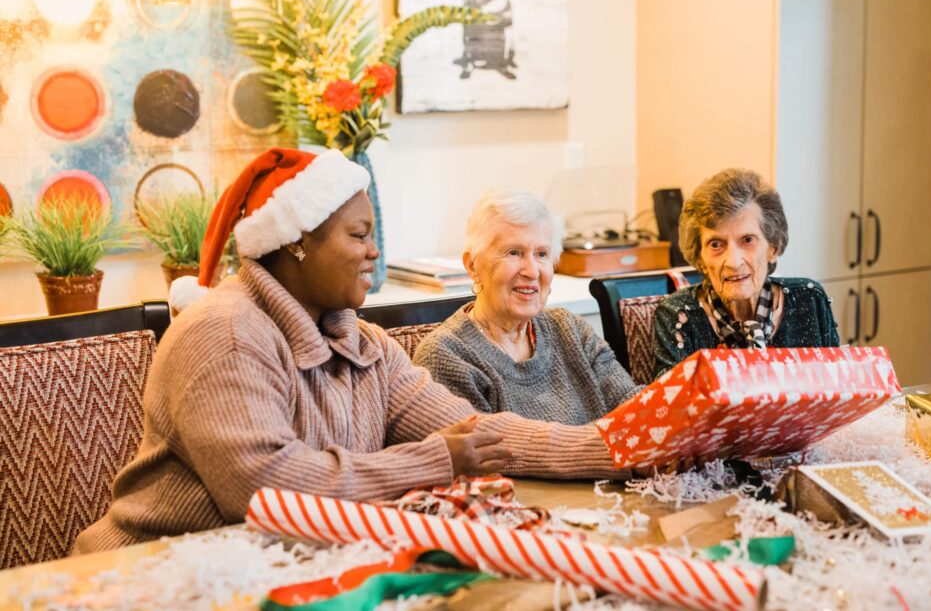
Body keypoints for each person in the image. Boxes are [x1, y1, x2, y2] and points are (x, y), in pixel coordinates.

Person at [74, 149, 625, 554]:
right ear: (295, 240)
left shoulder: (365, 343)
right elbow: (266, 492)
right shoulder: (227, 333)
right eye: (358, 235)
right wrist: (437, 458)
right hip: (151, 575)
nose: (374, 250)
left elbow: (480, 432)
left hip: (280, 570)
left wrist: (630, 447)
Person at [414, 190, 639, 424]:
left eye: (541, 254)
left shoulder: (571, 330)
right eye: (514, 253)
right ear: (472, 265)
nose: (532, 271)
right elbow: (491, 456)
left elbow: (636, 408)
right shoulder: (446, 357)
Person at [652, 168, 840, 379]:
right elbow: (671, 407)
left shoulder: (809, 299)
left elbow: (841, 388)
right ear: (700, 258)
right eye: (716, 244)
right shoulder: (678, 315)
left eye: (747, 240)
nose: (733, 261)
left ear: (773, 247)